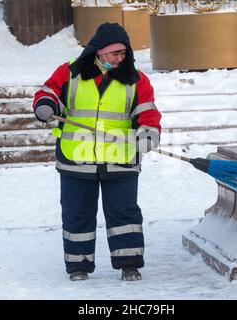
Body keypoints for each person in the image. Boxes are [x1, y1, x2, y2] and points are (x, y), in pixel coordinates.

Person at [32, 22, 162, 281]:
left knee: (124, 213)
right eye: (115, 53)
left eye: (124, 53)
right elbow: (48, 92)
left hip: (120, 158)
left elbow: (147, 111)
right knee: (77, 213)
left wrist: (148, 131)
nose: (120, 58)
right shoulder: (71, 72)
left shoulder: (135, 78)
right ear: (100, 51)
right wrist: (45, 105)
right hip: (76, 158)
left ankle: (129, 264)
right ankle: (78, 266)